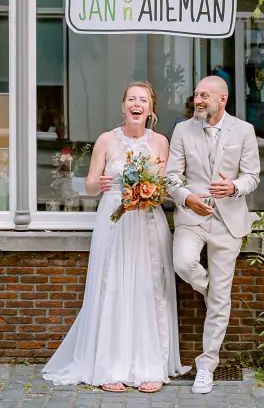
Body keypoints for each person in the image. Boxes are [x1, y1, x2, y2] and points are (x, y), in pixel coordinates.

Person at [41, 82, 187, 393]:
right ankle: (109, 365)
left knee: (149, 289)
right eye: (132, 99)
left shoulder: (161, 142)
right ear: (123, 107)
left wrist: (152, 192)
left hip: (148, 222)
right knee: (114, 287)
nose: (137, 104)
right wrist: (101, 182)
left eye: (143, 100)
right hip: (115, 220)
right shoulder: (107, 140)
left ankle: (151, 365)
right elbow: (90, 185)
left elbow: (165, 189)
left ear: (151, 109)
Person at [166, 75, 261, 394]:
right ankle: (214, 292)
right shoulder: (182, 130)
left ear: (223, 99)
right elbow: (170, 178)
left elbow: (252, 177)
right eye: (196, 95)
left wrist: (234, 187)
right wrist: (187, 198)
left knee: (221, 297)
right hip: (192, 216)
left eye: (205, 95)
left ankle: (207, 366)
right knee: (183, 263)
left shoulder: (244, 131)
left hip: (228, 222)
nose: (198, 100)